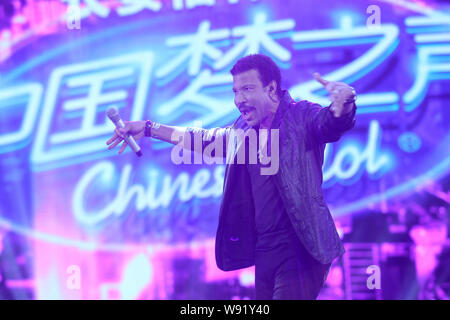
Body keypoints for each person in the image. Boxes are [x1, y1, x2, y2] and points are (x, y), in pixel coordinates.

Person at [106, 54, 356, 300]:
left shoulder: (301, 116)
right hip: (264, 251)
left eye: (247, 89)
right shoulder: (242, 130)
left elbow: (329, 124)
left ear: (271, 89)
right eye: (235, 91)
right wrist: (149, 128)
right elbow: (202, 138)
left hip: (300, 245)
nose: (240, 99)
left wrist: (342, 107)